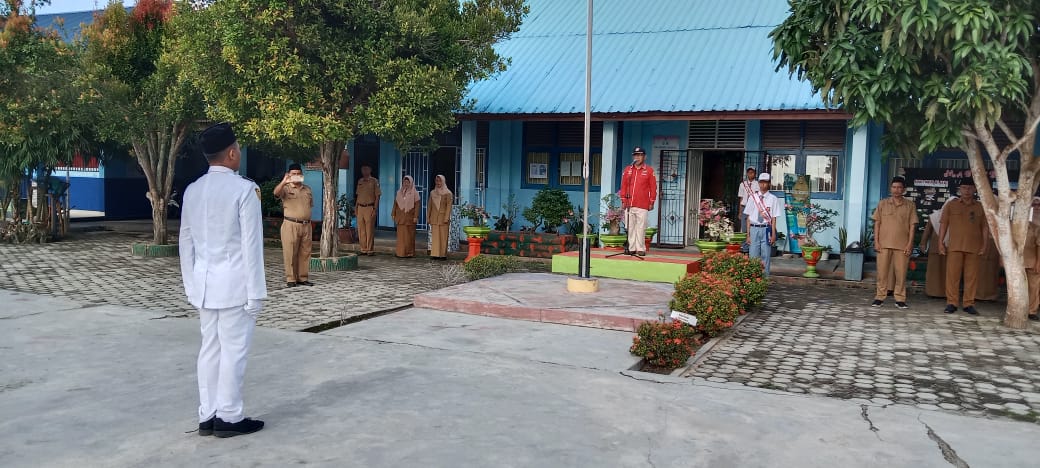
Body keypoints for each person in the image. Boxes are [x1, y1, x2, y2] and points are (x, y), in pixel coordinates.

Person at [179, 122, 266, 438]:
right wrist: (256, 294)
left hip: (204, 286)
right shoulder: (244, 190)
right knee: (233, 351)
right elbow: (251, 246)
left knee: (210, 349)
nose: (239, 152)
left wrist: (191, 286)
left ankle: (208, 414)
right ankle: (229, 416)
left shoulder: (193, 190)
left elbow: (185, 242)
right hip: (234, 287)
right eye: (238, 148)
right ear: (231, 153)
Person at [939, 178, 989, 315]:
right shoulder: (951, 205)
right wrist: (940, 242)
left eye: (970, 188)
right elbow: (943, 224)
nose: (967, 191)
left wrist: (985, 244)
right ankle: (951, 303)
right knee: (952, 276)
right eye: (964, 188)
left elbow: (985, 227)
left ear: (975, 189)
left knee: (971, 277)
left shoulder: (980, 206)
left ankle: (969, 304)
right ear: (960, 189)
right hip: (954, 246)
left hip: (974, 247)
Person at [870, 177, 919, 309]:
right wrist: (876, 242)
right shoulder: (883, 204)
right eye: (894, 187)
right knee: (882, 273)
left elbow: (912, 226)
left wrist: (910, 244)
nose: (896, 190)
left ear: (904, 189)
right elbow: (877, 223)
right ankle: (879, 297)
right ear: (891, 188)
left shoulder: (910, 205)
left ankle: (900, 299)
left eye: (899, 187)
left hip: (902, 245)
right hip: (883, 244)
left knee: (901, 273)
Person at [273, 163, 313, 287]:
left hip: (306, 225)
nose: (296, 175)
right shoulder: (285, 188)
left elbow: (310, 205)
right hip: (291, 224)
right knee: (290, 252)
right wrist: (284, 181)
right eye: (293, 174)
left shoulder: (307, 189)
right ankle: (291, 278)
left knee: (305, 253)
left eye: (298, 173)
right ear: (289, 175)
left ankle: (302, 277)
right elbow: (276, 193)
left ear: (302, 175)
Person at [618, 146, 657, 256]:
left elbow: (653, 187)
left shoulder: (649, 170)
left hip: (642, 204)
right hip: (629, 204)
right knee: (630, 227)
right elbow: (623, 186)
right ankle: (631, 248)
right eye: (636, 155)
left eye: (640, 155)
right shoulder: (628, 170)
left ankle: (640, 248)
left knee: (641, 227)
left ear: (645, 157)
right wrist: (623, 200)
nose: (637, 157)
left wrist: (652, 202)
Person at [743, 172, 783, 277]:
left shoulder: (773, 199)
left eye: (765, 182)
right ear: (759, 183)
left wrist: (773, 234)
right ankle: (753, 279)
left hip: (766, 229)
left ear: (769, 183)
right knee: (753, 255)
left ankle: (765, 279)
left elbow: (774, 218)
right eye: (761, 182)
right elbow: (748, 218)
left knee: (766, 255)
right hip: (754, 228)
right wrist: (748, 235)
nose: (763, 184)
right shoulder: (752, 198)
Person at [919, 197, 955, 298]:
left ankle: (945, 293)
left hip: (951, 248)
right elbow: (927, 231)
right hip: (935, 248)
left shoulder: (957, 216)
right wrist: (923, 243)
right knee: (934, 271)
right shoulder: (935, 216)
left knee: (947, 272)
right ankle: (932, 292)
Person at [355, 164, 381, 256]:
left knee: (369, 230)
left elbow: (377, 196)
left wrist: (375, 209)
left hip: (369, 207)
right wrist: (356, 208)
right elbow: (358, 195)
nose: (364, 171)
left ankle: (370, 250)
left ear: (370, 170)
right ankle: (363, 249)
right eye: (363, 169)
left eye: (366, 169)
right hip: (360, 207)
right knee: (361, 229)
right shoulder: (360, 181)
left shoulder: (374, 181)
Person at [392, 175, 420, 258]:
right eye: (405, 182)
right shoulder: (399, 192)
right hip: (400, 217)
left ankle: (409, 253)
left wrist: (416, 216)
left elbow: (417, 206)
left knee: (409, 236)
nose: (406, 184)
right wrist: (393, 213)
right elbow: (395, 204)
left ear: (411, 183)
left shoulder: (415, 193)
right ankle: (400, 253)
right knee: (400, 237)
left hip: (409, 218)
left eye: (408, 182)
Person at [427, 175, 453, 260]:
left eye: (439, 181)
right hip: (434, 218)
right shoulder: (432, 193)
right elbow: (429, 206)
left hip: (443, 218)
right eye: (436, 181)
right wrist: (428, 217)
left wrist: (446, 218)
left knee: (443, 237)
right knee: (435, 237)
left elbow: (449, 206)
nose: (438, 183)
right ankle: (435, 254)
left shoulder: (448, 193)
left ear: (443, 181)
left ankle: (442, 255)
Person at [1026, 197, 1040, 321]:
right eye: (1033, 205)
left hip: (1035, 260)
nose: (1036, 207)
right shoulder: (1024, 221)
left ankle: (1032, 310)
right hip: (1022, 260)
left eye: (1038, 205)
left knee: (1034, 287)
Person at [737, 167, 757, 233]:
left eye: (752, 172)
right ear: (747, 174)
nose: (750, 174)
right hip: (744, 207)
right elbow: (741, 198)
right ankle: (745, 238)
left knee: (753, 225)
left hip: (754, 207)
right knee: (744, 226)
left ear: (755, 174)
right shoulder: (742, 184)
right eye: (749, 172)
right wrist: (740, 212)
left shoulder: (757, 184)